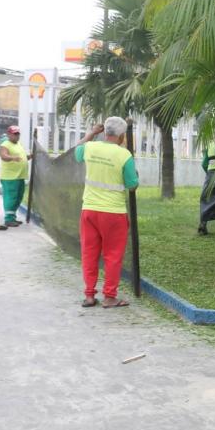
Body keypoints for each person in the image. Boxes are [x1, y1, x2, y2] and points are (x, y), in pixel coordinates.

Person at [74, 118, 139, 308]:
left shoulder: (90, 148)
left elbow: (76, 152)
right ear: (121, 136)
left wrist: (91, 133)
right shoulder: (124, 155)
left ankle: (89, 295)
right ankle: (110, 296)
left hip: (89, 210)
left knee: (89, 253)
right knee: (112, 255)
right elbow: (132, 185)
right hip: (113, 213)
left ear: (104, 132)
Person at [0, 126, 31, 227]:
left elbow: (22, 158)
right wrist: (12, 158)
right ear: (9, 134)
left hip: (19, 176)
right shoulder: (5, 145)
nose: (17, 136)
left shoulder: (18, 144)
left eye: (18, 134)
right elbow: (4, 156)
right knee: (11, 198)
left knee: (18, 197)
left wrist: (29, 156)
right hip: (10, 177)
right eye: (14, 134)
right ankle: (8, 219)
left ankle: (13, 217)